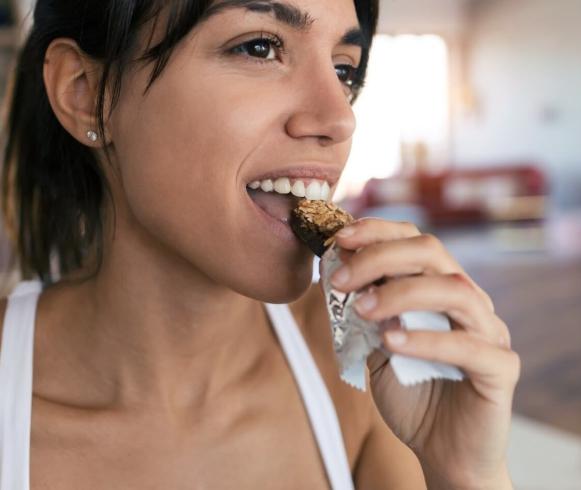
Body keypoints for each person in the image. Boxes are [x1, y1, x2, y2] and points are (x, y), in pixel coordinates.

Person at [0, 0, 520, 488]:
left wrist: (465, 474)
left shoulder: (364, 364)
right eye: (259, 47)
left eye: (344, 69)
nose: (340, 119)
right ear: (86, 94)